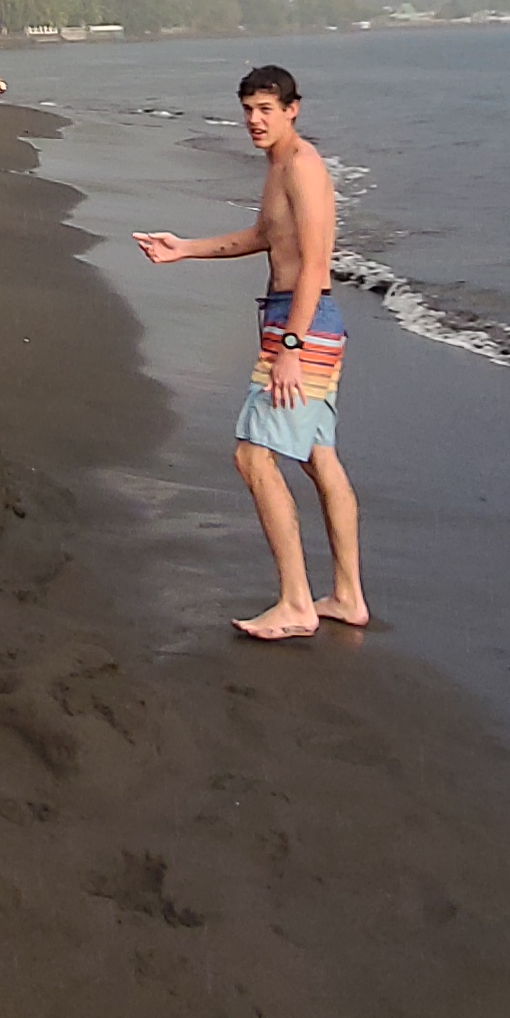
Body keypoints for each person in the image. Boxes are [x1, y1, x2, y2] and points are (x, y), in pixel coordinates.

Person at [131, 61, 367, 642]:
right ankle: (346, 596)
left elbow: (314, 262)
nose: (254, 121)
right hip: (301, 322)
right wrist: (183, 248)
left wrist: (291, 344)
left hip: (302, 326)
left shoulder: (303, 167)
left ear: (293, 109)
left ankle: (295, 603)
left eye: (266, 110)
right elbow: (264, 236)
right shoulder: (277, 165)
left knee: (253, 455)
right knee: (317, 456)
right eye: (248, 110)